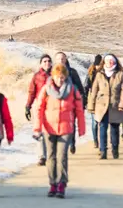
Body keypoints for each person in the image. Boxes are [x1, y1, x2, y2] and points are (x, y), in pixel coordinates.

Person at [33, 63, 85, 199]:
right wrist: (37, 127)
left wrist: (81, 127)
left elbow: (79, 109)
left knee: (61, 156)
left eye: (62, 78)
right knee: (50, 157)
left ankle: (61, 183)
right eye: (57, 77)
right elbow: (39, 108)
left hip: (65, 128)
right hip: (49, 128)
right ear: (53, 77)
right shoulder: (46, 89)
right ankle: (52, 184)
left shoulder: (72, 90)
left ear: (65, 77)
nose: (60, 80)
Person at [87, 54, 123, 160]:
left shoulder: (120, 74)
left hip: (115, 105)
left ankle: (115, 150)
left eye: (111, 61)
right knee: (102, 128)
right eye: (107, 61)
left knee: (114, 129)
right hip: (101, 105)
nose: (109, 62)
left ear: (115, 62)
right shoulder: (99, 74)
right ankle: (103, 151)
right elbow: (94, 90)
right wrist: (91, 105)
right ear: (104, 62)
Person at [25, 54, 52, 166]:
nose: (47, 63)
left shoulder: (55, 75)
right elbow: (31, 92)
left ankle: (52, 154)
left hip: (52, 107)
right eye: (44, 61)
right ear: (41, 63)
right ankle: (41, 156)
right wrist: (28, 106)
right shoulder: (36, 76)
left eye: (49, 61)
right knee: (39, 131)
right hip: (39, 107)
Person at [84, 54, 102, 149]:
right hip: (92, 99)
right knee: (94, 122)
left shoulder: (103, 73)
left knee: (102, 122)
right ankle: (95, 140)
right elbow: (86, 87)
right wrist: (85, 100)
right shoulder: (90, 73)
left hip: (102, 99)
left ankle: (102, 141)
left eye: (99, 65)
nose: (98, 67)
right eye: (97, 65)